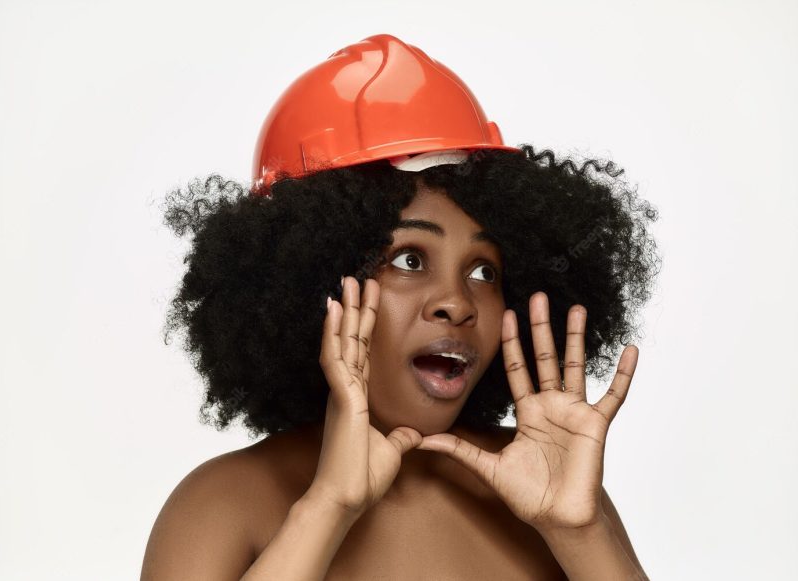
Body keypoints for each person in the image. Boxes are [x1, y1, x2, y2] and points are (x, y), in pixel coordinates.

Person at [140, 33, 660, 580]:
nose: (457, 303)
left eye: (484, 270)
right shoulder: (223, 504)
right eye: (410, 259)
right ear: (312, 280)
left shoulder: (547, 492)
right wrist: (329, 505)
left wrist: (579, 534)